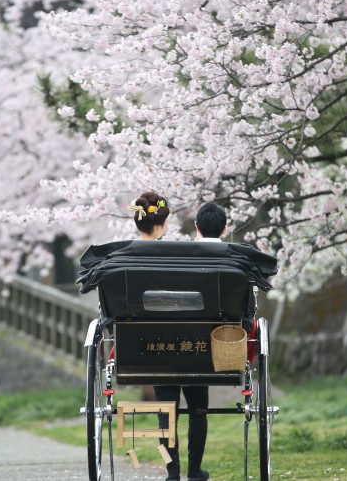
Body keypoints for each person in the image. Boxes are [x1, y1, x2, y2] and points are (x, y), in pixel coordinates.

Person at [129, 192, 210, 481]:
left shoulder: (123, 257)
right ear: (163, 222)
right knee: (198, 409)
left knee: (166, 410)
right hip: (193, 342)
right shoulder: (180, 253)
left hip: (151, 345)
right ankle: (195, 471)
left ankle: (172, 473)